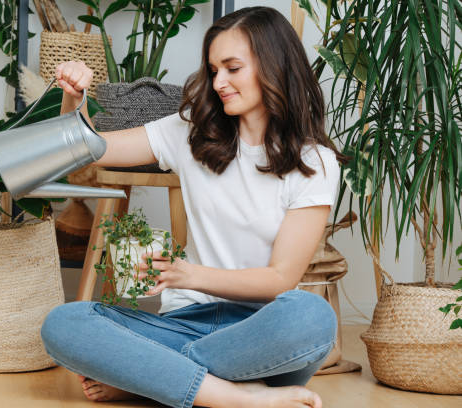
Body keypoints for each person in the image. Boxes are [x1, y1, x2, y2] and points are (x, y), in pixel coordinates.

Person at [41, 6, 345, 408]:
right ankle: (240, 398)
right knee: (64, 323)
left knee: (312, 316)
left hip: (257, 335)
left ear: (273, 67)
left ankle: (150, 379)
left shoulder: (315, 162)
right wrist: (74, 97)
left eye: (232, 68)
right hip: (182, 325)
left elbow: (279, 279)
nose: (219, 81)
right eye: (214, 69)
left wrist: (190, 275)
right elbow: (89, 152)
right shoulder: (190, 131)